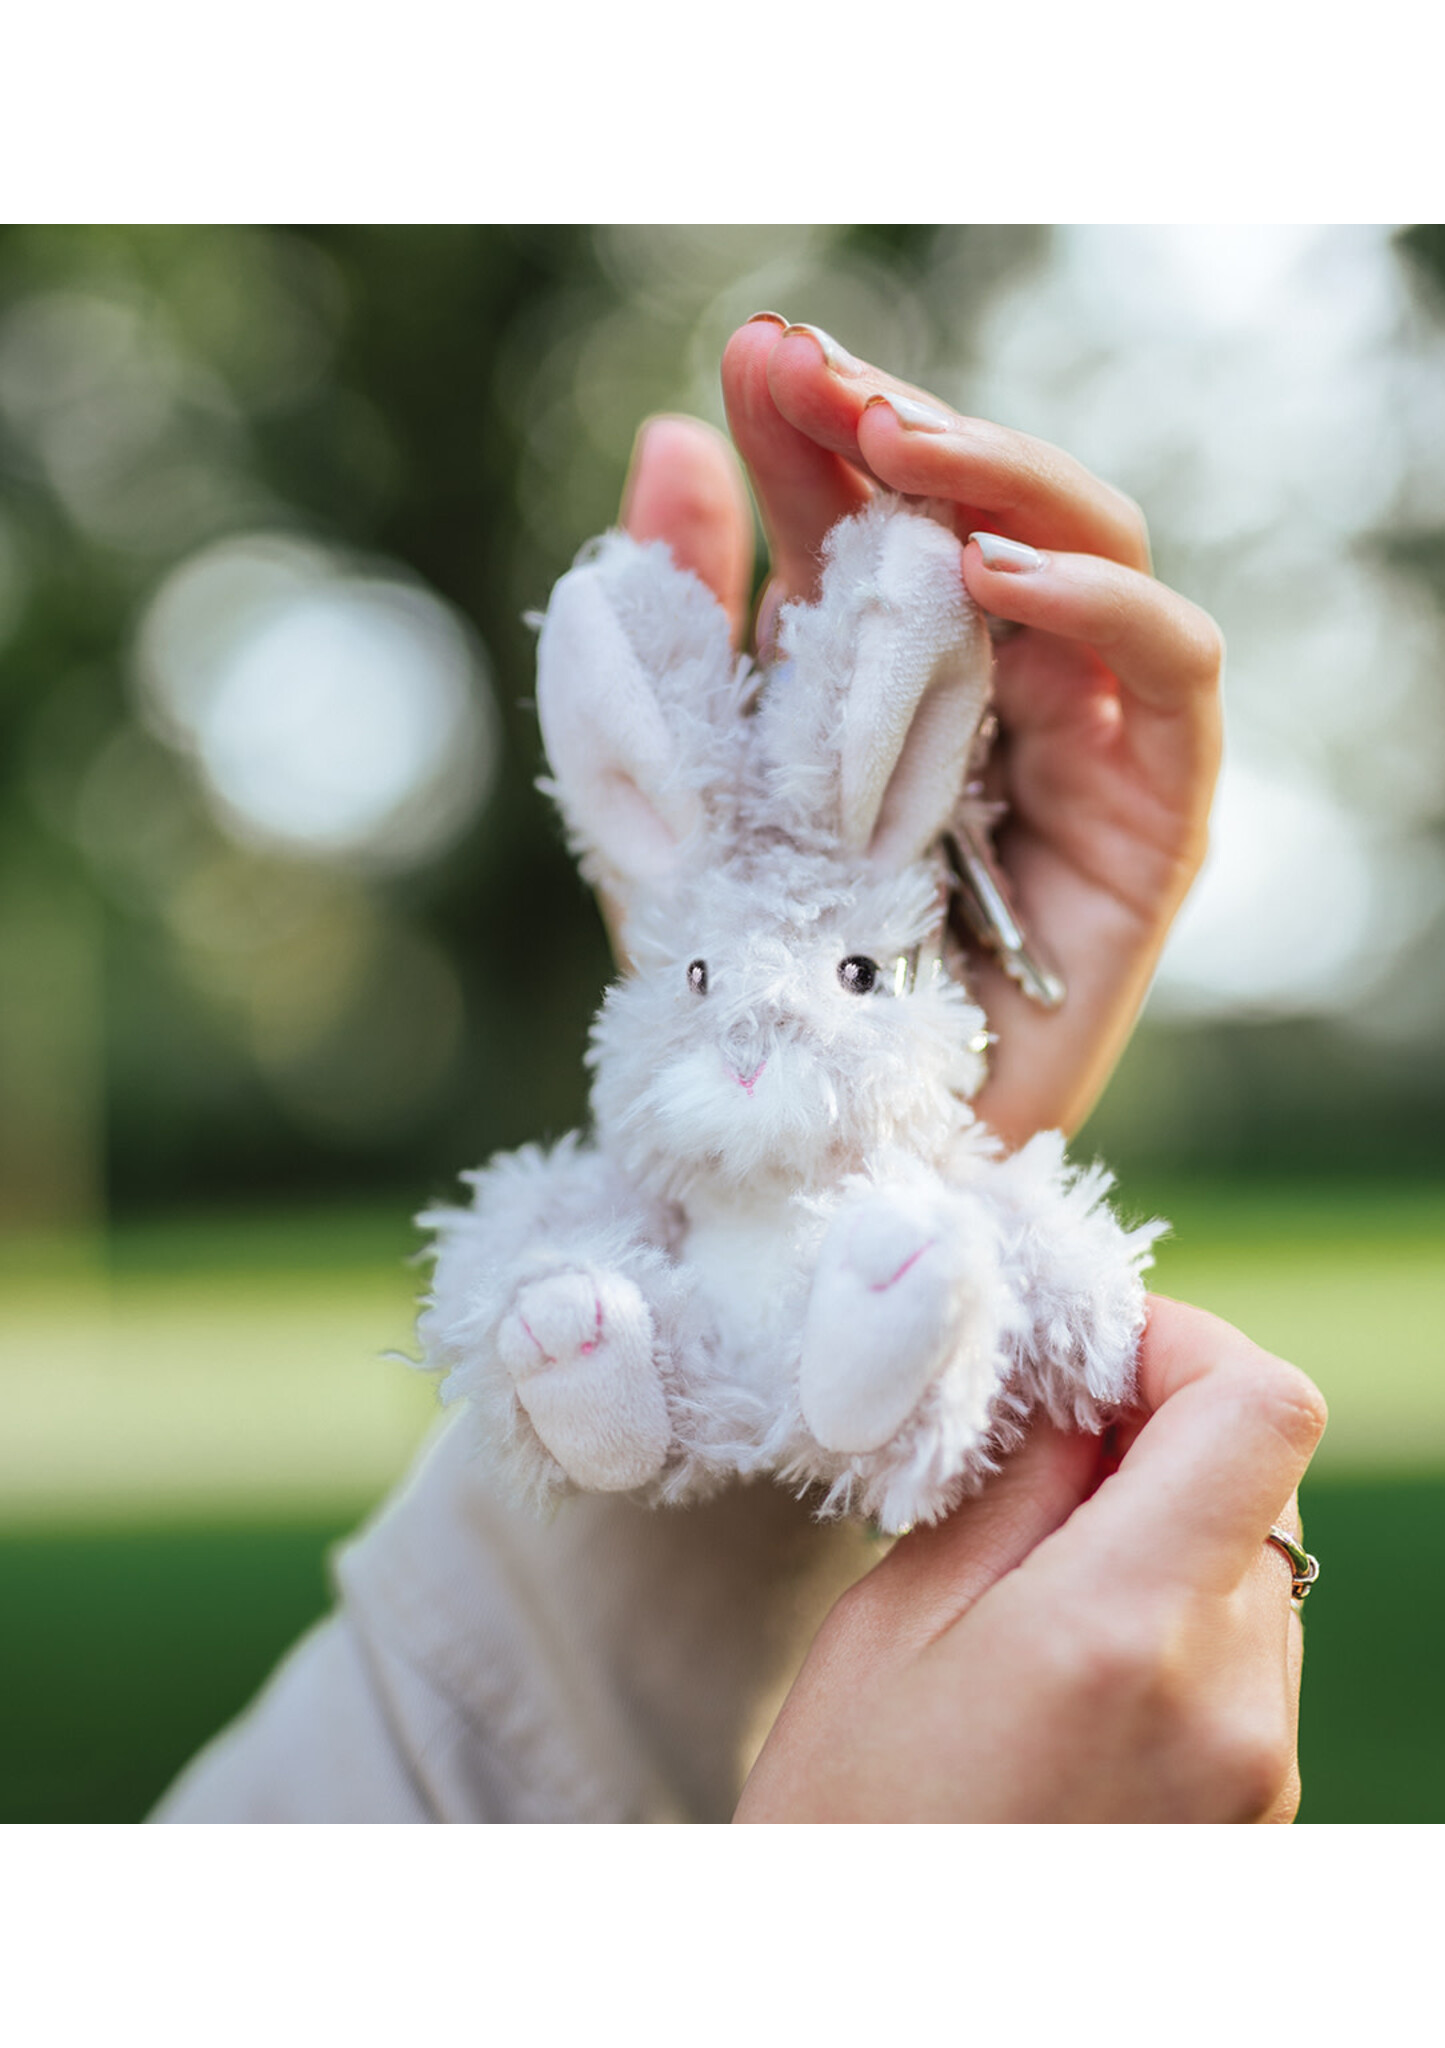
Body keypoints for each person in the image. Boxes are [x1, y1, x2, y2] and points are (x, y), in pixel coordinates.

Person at [152, 315, 1324, 1824]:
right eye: (701, 986)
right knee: (559, 1284)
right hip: (680, 1364)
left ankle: (879, 1347)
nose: (766, 1036)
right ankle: (617, 1373)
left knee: (946, 1266)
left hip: (843, 1310)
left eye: (848, 979)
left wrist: (987, 1140)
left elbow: (419, 1773)